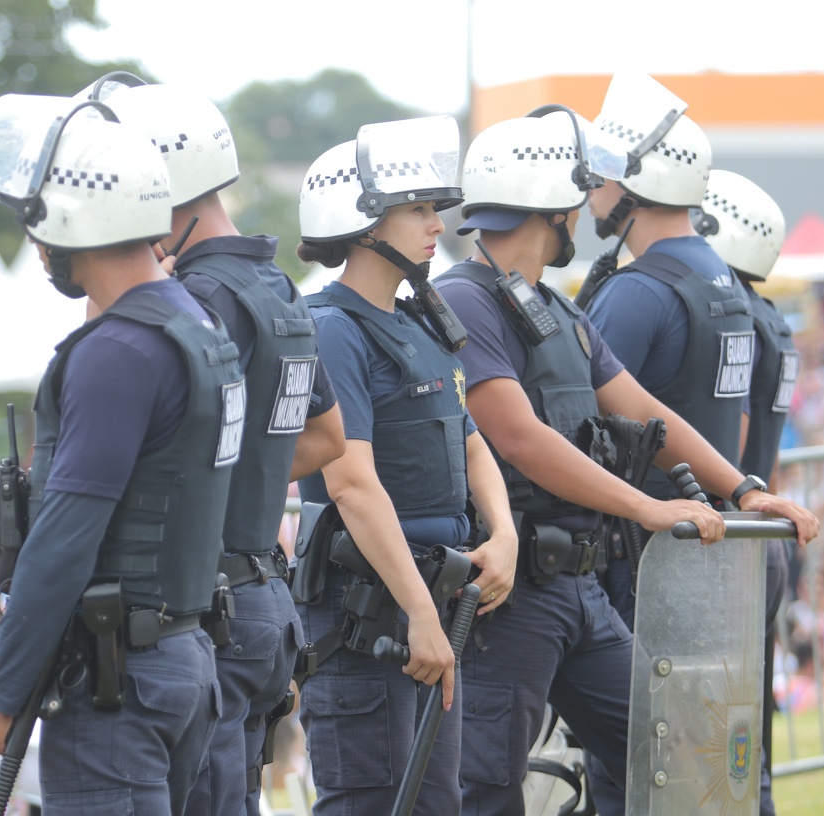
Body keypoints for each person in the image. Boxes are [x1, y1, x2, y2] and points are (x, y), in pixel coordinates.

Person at [434, 111, 817, 816]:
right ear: (553, 203)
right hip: (512, 598)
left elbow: (644, 411)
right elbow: (519, 437)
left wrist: (745, 490)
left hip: (575, 586)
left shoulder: (553, 305)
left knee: (681, 752)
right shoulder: (464, 299)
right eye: (577, 195)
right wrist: (648, 507)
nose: (585, 207)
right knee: (486, 790)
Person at [0, 96, 245, 816]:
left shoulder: (117, 351)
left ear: (70, 221)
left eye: (38, 228)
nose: (37, 250)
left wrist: (2, 691)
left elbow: (65, 537)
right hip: (180, 657)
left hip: (120, 680)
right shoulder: (197, 322)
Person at [81, 77, 345, 816]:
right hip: (261, 592)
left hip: (210, 608)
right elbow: (325, 438)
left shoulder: (195, 299)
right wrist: (245, 479)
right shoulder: (275, 285)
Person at [293, 115, 519, 816]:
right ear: (362, 220)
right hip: (369, 613)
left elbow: (470, 438)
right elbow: (351, 484)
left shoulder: (417, 321)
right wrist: (420, 612)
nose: (436, 225)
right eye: (418, 208)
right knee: (371, 801)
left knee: (432, 803)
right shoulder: (332, 327)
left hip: (430, 602)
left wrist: (503, 533)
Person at [582, 73, 761, 628]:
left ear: (635, 183)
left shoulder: (638, 291)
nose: (591, 186)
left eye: (604, 172)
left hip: (644, 550)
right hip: (701, 537)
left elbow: (573, 418)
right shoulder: (721, 278)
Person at [695, 168, 796, 814]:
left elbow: (725, 439)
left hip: (726, 537)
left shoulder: (729, 320)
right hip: (761, 539)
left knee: (712, 745)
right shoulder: (774, 324)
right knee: (746, 739)